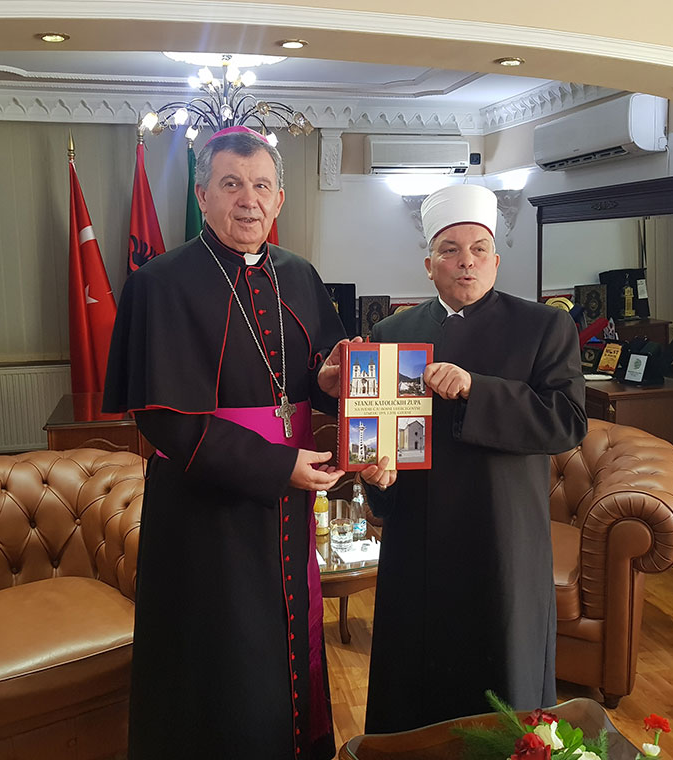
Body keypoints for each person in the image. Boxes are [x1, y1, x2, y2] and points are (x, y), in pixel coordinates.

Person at [102, 126, 349, 759]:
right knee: (219, 655)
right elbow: (164, 420)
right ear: (202, 195)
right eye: (232, 184)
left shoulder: (301, 275)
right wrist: (277, 465)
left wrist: (327, 381)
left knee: (290, 636)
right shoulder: (159, 283)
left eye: (262, 186)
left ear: (279, 199)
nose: (249, 200)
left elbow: (317, 375)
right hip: (203, 510)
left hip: (289, 502)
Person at [360, 183, 586, 733]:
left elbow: (566, 422)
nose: (467, 262)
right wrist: (374, 474)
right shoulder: (392, 333)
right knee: (413, 677)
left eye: (479, 249)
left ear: (495, 260)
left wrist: (475, 389)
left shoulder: (544, 326)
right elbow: (381, 435)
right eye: (451, 250)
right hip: (418, 537)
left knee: (502, 679)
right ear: (429, 265)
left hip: (501, 534)